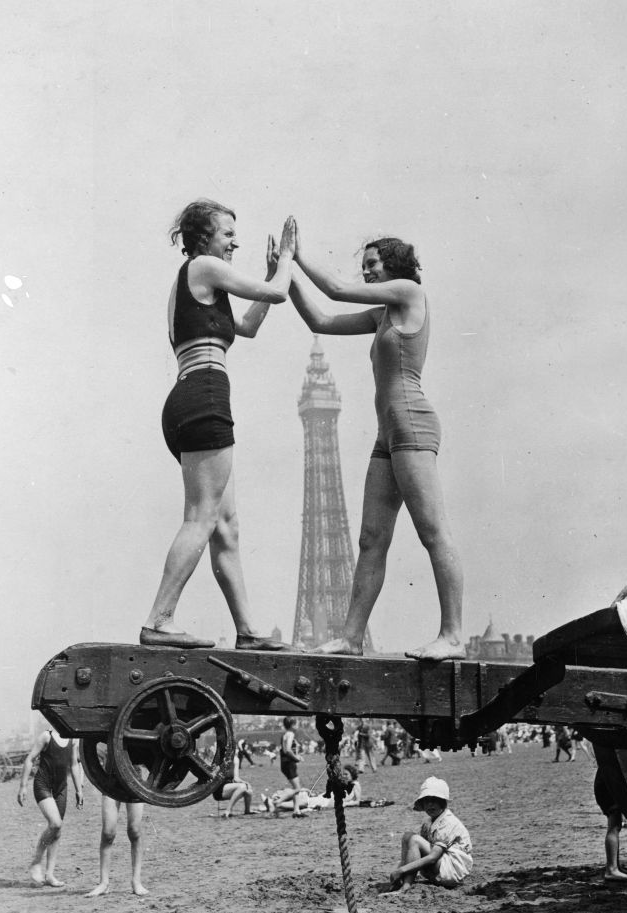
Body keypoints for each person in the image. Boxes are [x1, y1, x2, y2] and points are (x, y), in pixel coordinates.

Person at [288, 225, 463, 659]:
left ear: (394, 265)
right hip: (389, 433)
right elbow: (320, 320)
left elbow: (334, 289)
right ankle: (350, 637)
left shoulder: (407, 293)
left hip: (412, 425)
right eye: (363, 267)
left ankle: (453, 635)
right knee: (371, 538)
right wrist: (285, 274)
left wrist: (298, 255)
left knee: (432, 532)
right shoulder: (384, 312)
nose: (365, 272)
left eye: (372, 265)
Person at [141, 199, 296, 652]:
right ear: (204, 237)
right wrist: (285, 261)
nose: (235, 242)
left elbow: (247, 325)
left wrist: (269, 278)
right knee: (202, 517)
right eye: (228, 233)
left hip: (189, 396)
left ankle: (248, 631)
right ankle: (159, 619)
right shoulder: (204, 266)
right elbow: (280, 293)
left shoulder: (200, 282)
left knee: (225, 524)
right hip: (205, 396)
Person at [17, 728, 83, 887]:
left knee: (57, 831)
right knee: (55, 823)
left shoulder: (73, 739)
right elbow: (30, 759)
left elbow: (74, 764)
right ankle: (36, 862)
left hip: (61, 787)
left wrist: (79, 790)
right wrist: (23, 786)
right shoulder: (47, 736)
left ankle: (50, 875)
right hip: (43, 784)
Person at [388, 776, 472, 893]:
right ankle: (402, 881)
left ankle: (405, 886)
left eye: (435, 800)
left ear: (443, 802)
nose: (430, 805)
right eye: (427, 801)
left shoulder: (448, 821)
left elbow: (433, 857)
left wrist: (402, 870)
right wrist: (400, 867)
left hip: (452, 871)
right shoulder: (429, 822)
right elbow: (414, 851)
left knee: (415, 840)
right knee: (408, 836)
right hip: (439, 870)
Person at [85, 794, 148, 897]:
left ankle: (136, 881)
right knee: (108, 833)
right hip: (111, 783)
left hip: (133, 783)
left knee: (134, 831)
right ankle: (104, 883)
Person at [272, 717, 306, 817]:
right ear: (292, 725)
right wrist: (297, 758)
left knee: (295, 787)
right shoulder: (290, 734)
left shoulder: (285, 734)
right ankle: (278, 802)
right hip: (289, 764)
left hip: (286, 763)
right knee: (297, 789)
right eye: (297, 723)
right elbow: (287, 750)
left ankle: (296, 810)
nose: (298, 725)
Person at [213, 739, 255, 818]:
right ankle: (228, 810)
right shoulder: (222, 760)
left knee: (248, 790)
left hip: (229, 787)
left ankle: (247, 811)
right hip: (219, 789)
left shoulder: (236, 760)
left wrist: (245, 782)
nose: (236, 751)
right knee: (242, 786)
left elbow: (236, 778)